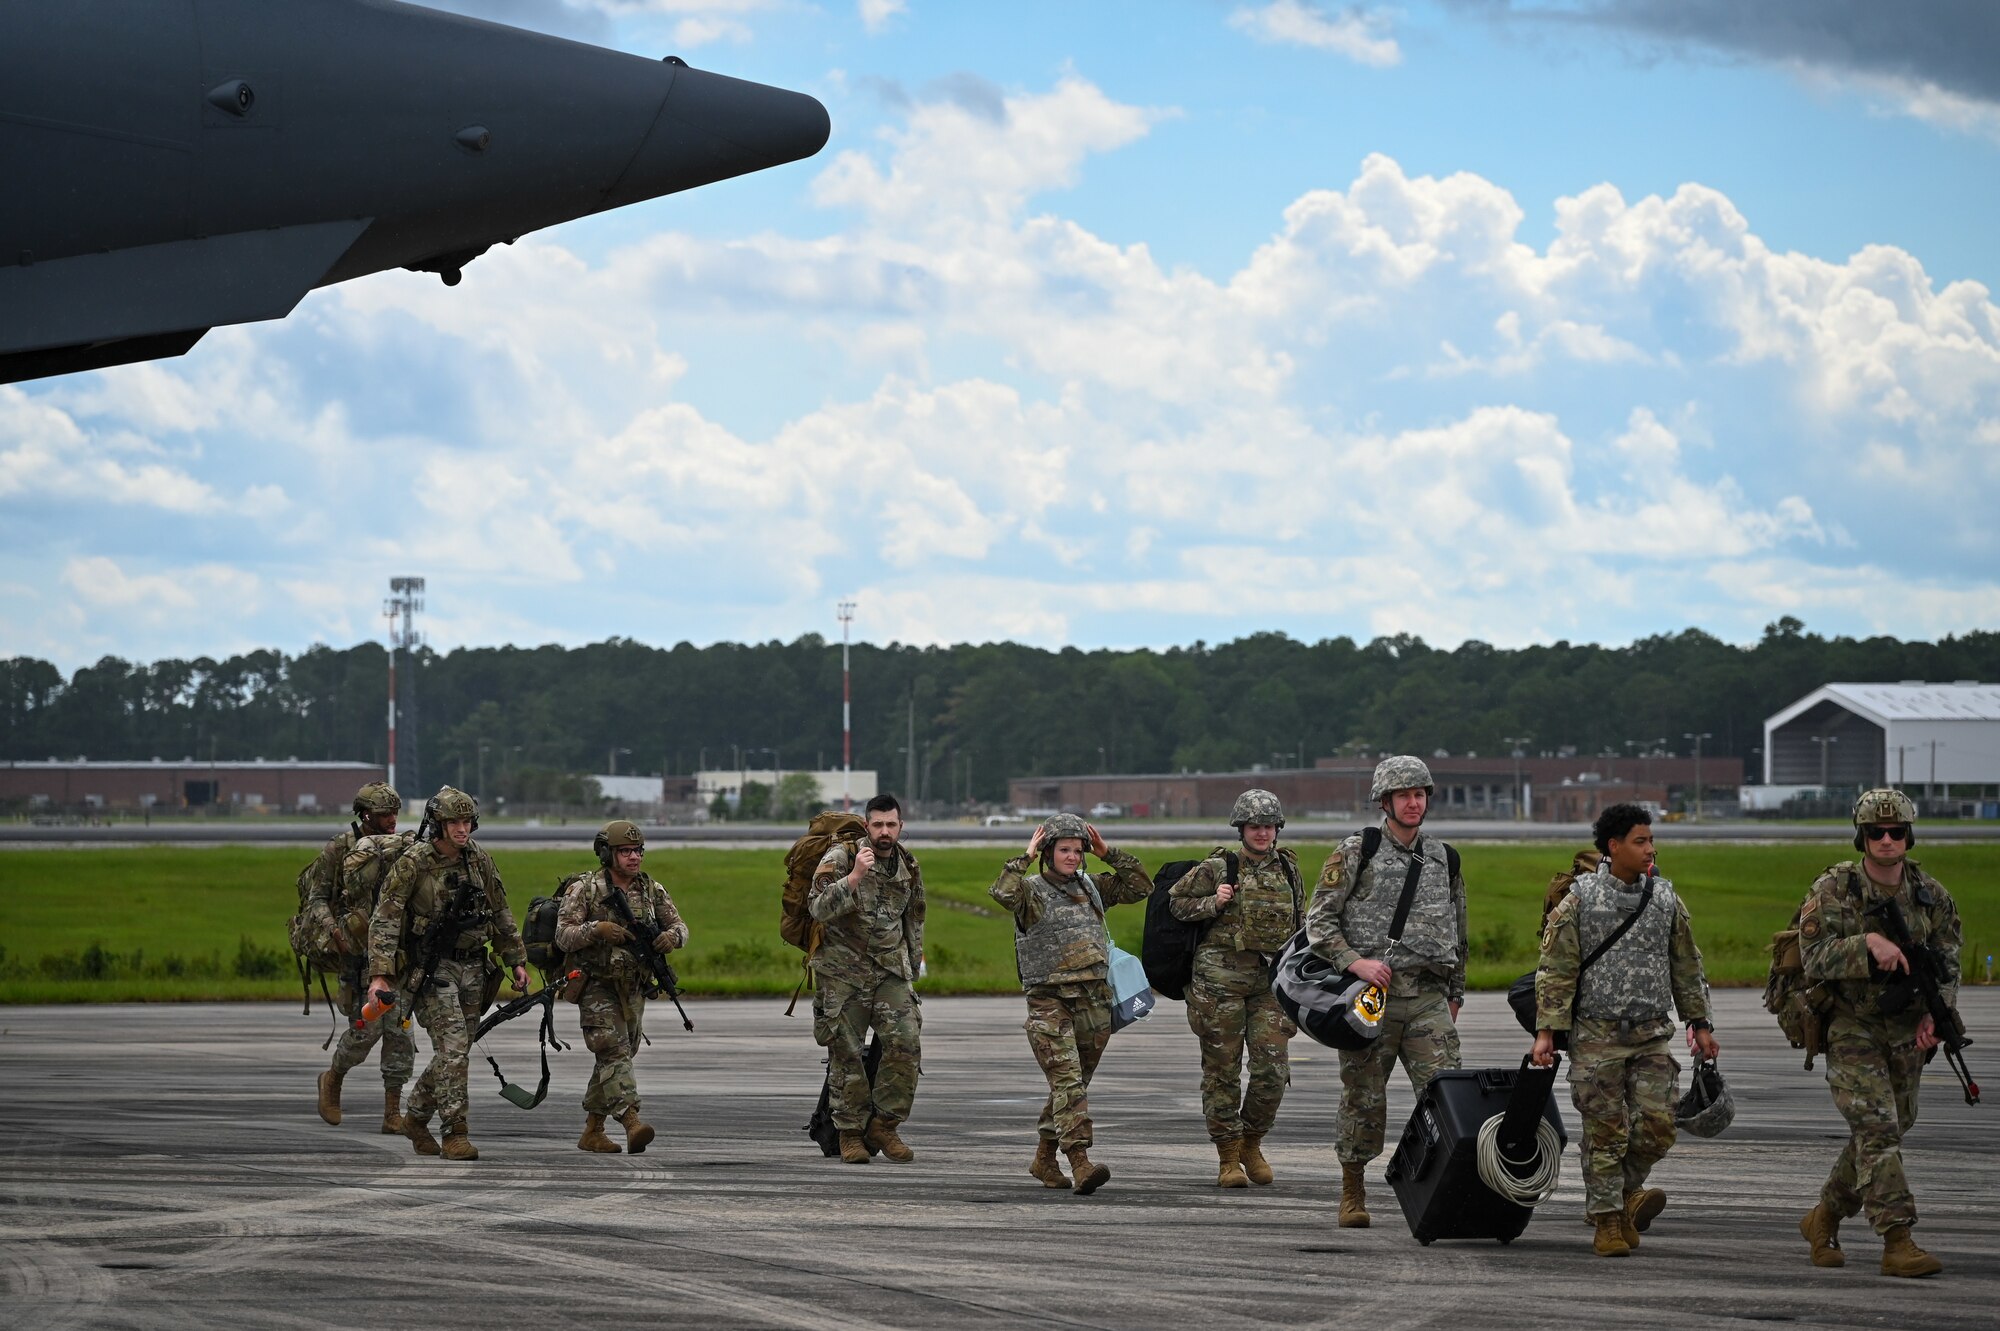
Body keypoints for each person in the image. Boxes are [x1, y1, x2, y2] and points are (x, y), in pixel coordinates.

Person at [1531, 803, 1716, 1257]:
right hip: (1597, 1036)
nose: (1650, 848)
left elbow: (1686, 966)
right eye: (1640, 841)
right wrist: (1547, 1032)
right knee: (1606, 1131)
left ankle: (1618, 1196)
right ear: (1613, 847)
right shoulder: (1581, 899)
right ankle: (1609, 1222)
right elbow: (1556, 969)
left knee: (1658, 1125)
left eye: (1651, 840)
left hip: (1652, 1033)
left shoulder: (1665, 899)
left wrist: (1701, 1022)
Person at [1796, 788, 1962, 1278]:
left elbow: (1948, 965)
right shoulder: (1833, 890)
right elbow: (1813, 957)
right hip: (1853, 1024)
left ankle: (1824, 1216)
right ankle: (1898, 1239)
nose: (1886, 840)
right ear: (1861, 837)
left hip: (1908, 1030)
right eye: (1875, 833)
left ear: (1908, 834)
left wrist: (1940, 1013)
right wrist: (1866, 944)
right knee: (1878, 1128)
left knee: (1890, 1128)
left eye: (1895, 832)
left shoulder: (1932, 896)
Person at [1306, 756, 1466, 1226]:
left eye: (1420, 795)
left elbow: (1459, 928)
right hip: (1369, 1002)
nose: (1414, 803)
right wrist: (1354, 962)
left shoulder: (1444, 857)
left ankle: (1443, 1190)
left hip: (1428, 999)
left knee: (1446, 1098)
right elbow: (1319, 920)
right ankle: (1352, 1189)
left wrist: (1456, 992)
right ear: (1385, 801)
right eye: (1405, 796)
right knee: (1364, 1099)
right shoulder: (1358, 851)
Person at [988, 814, 1152, 1194]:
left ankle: (1044, 1158)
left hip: (1093, 1002)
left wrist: (1109, 853)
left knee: (1071, 1086)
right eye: (1064, 849)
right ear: (1048, 852)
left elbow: (1141, 886)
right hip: (1049, 1002)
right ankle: (1080, 1161)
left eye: (1078, 850)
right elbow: (1002, 893)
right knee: (1068, 1083)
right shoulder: (1030, 891)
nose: (1073, 857)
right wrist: (1023, 858)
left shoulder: (1092, 888)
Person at [365, 787, 527, 1162]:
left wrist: (515, 960)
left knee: (455, 1052)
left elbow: (500, 911)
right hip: (433, 969)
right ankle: (455, 1132)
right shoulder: (414, 863)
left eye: (467, 821)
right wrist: (380, 975)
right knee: (453, 1050)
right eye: (454, 821)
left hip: (474, 966)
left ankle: (417, 1116)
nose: (462, 828)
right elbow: (385, 919)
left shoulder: (478, 860)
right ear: (437, 824)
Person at [1167, 788, 1304, 1188]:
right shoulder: (1217, 866)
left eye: (1268, 826)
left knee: (1272, 1070)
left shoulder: (1288, 869)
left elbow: (1300, 922)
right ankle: (1228, 1156)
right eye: (1254, 826)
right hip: (1218, 984)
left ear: (1277, 829)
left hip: (1268, 983)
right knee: (1221, 1072)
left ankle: (1252, 1142)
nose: (1262, 833)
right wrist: (1213, 902)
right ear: (1240, 828)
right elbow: (1175, 904)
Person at [554, 819, 688, 1154]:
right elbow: (563, 935)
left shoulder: (650, 889)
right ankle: (632, 1122)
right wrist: (597, 930)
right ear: (606, 854)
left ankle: (592, 1131)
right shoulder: (585, 889)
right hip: (596, 984)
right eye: (625, 851)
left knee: (617, 1056)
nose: (633, 858)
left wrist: (671, 938)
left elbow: (681, 926)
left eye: (637, 850)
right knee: (613, 1051)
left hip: (634, 987)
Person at [809, 793, 925, 1164]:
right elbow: (818, 907)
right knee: (846, 1053)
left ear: (900, 827)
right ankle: (849, 1133)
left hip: (890, 970)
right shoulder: (841, 858)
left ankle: (885, 1125)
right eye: (878, 824)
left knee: (905, 1042)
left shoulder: (908, 864)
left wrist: (913, 960)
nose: (885, 831)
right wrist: (855, 876)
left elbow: (915, 916)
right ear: (866, 826)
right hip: (843, 973)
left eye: (891, 824)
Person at [310, 782, 414, 1131]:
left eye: (395, 813)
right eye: (385, 814)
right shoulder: (340, 848)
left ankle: (392, 1112)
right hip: (356, 954)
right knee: (364, 1031)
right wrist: (335, 931)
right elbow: (317, 898)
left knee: (401, 1035)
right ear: (366, 814)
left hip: (395, 954)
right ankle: (333, 1078)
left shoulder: (404, 848)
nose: (392, 820)